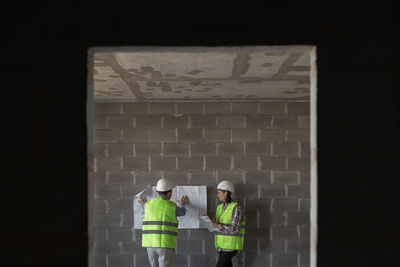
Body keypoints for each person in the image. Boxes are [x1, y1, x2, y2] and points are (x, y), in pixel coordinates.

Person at [138, 178, 189, 267]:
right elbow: (182, 212)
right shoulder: (172, 207)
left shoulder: (148, 205)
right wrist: (181, 204)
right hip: (164, 244)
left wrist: (143, 204)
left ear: (158, 191)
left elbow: (144, 208)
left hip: (150, 244)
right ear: (169, 193)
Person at [208, 180, 246, 267]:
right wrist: (208, 221)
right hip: (221, 246)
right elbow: (215, 225)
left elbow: (235, 228)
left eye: (219, 193)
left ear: (226, 193)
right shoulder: (219, 207)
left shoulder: (236, 208)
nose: (217, 195)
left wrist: (217, 225)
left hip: (231, 247)